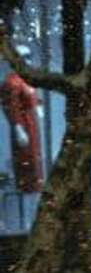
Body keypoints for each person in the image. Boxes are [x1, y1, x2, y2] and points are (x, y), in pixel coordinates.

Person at [3, 45, 43, 196]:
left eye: (28, 57)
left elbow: (33, 97)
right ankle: (27, 186)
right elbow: (11, 106)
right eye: (24, 58)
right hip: (23, 123)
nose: (27, 61)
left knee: (34, 154)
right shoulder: (11, 82)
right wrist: (18, 127)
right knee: (25, 155)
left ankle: (34, 185)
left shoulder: (26, 79)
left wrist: (38, 106)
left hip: (31, 122)